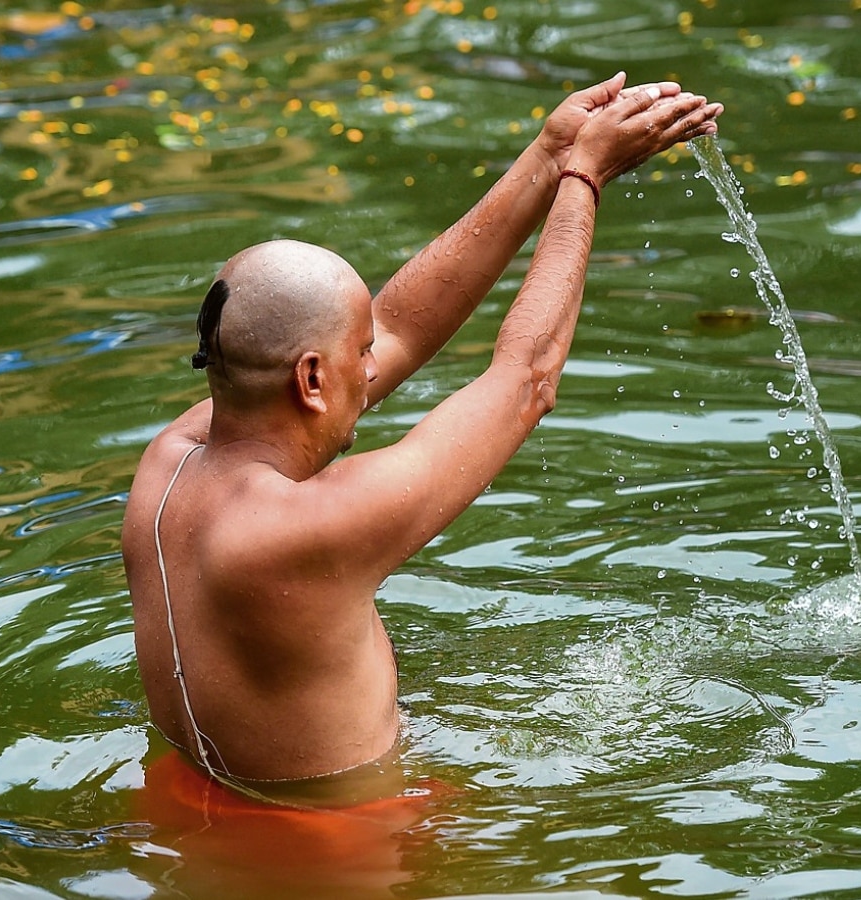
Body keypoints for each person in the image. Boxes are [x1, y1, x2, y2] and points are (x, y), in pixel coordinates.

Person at [122, 73, 723, 805]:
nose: (377, 367)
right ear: (311, 380)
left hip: (187, 817)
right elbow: (526, 380)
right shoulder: (305, 527)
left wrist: (546, 154)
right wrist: (583, 180)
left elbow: (402, 325)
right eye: (360, 356)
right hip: (336, 857)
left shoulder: (166, 465)